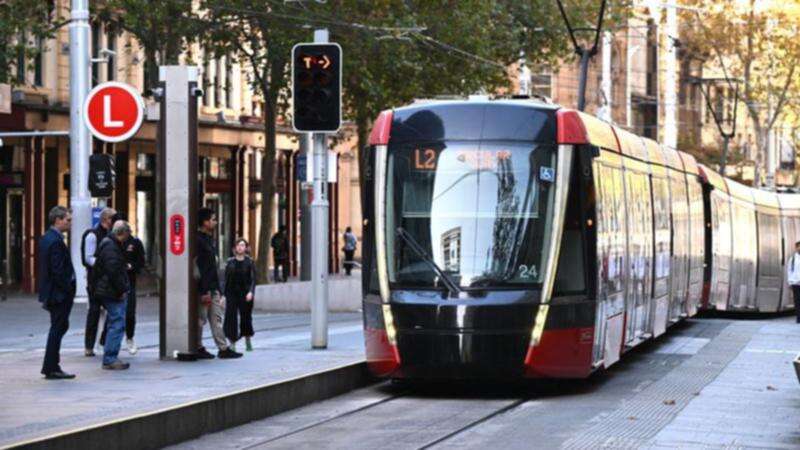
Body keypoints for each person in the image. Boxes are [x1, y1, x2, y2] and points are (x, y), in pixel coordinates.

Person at [197, 207, 242, 359]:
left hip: (213, 287)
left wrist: (218, 289)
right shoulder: (198, 241)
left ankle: (223, 348)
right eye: (213, 219)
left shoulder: (209, 240)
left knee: (216, 319)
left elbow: (212, 267)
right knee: (200, 320)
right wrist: (204, 291)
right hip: (204, 289)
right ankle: (197, 346)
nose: (216, 222)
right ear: (205, 222)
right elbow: (200, 269)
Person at [99, 212, 145, 354]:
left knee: (128, 313)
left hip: (128, 282)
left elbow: (141, 262)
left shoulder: (134, 243)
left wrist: (132, 267)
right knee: (114, 315)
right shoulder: (111, 243)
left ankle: (128, 338)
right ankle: (107, 345)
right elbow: (107, 266)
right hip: (115, 285)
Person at [39, 206, 77, 379]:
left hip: (54, 292)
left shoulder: (47, 238)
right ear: (58, 220)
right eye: (67, 220)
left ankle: (52, 365)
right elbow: (57, 270)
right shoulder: (54, 241)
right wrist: (68, 289)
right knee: (57, 328)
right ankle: (51, 367)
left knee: (60, 326)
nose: (70, 223)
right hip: (58, 294)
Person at [94, 220, 132, 370]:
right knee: (117, 322)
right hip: (111, 291)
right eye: (128, 234)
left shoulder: (109, 243)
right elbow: (113, 271)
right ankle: (110, 358)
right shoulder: (111, 246)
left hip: (107, 289)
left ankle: (110, 356)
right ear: (122, 233)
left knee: (114, 322)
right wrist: (122, 289)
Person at [82, 207, 116, 356]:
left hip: (109, 279)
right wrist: (105, 264)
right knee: (94, 312)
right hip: (95, 281)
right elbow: (88, 258)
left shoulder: (112, 235)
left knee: (113, 312)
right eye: (112, 219)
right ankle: (89, 346)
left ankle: (103, 342)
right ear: (105, 220)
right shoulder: (92, 235)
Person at [223, 238, 256, 352]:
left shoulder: (250, 262)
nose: (240, 247)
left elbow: (253, 279)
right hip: (232, 293)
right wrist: (223, 295)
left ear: (246, 248)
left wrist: (251, 292)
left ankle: (248, 340)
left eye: (242, 245)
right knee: (231, 317)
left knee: (246, 317)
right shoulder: (230, 262)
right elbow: (226, 279)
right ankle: (232, 342)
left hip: (245, 293)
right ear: (235, 248)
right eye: (238, 245)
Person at [786, 240, 800, 324]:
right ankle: (798, 318)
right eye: (799, 247)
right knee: (797, 301)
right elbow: (789, 271)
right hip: (795, 283)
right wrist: (790, 282)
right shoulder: (793, 259)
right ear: (796, 248)